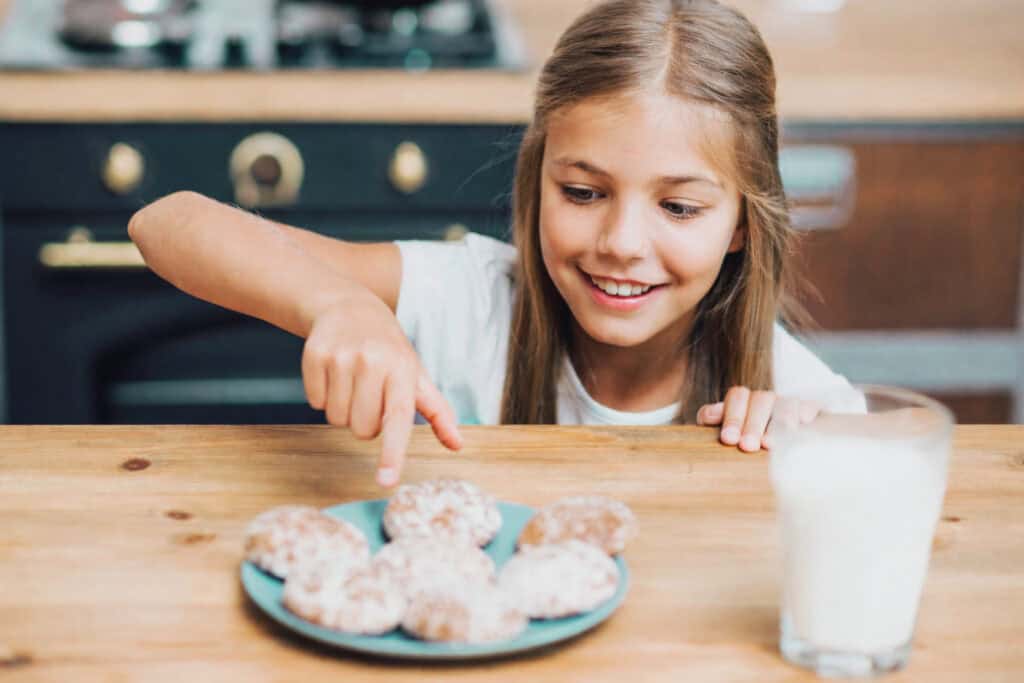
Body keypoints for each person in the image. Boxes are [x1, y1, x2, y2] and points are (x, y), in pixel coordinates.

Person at [128, 0, 862, 488]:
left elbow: (889, 493)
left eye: (677, 206)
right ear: (537, 178)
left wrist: (822, 451)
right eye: (582, 192)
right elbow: (166, 221)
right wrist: (340, 304)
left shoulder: (793, 395)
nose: (621, 243)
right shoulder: (470, 298)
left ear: (741, 222)